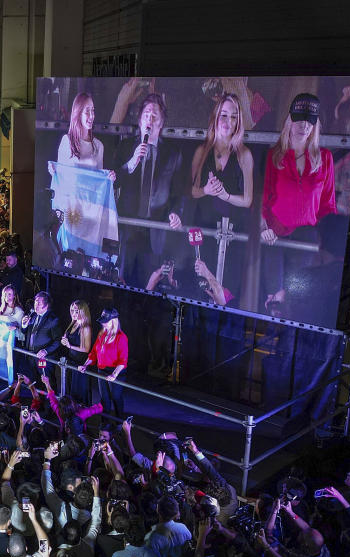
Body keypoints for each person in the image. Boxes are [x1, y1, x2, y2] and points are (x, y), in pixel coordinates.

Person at [261, 93, 337, 312]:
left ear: (315, 125)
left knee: (296, 294)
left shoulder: (325, 158)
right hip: (276, 233)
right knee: (274, 292)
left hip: (307, 236)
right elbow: (266, 197)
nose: (304, 125)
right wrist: (265, 227)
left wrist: (320, 236)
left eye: (310, 121)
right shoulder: (275, 156)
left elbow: (327, 203)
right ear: (290, 121)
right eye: (299, 119)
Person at [112, 93, 185, 289]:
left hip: (155, 231)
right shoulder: (126, 146)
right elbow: (111, 181)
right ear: (139, 120)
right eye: (146, 115)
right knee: (120, 283)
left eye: (154, 116)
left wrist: (177, 213)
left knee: (149, 286)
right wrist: (131, 163)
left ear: (161, 124)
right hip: (127, 229)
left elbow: (180, 193)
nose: (149, 120)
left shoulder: (173, 153)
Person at [187, 93, 254, 301]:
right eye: (224, 115)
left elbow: (247, 200)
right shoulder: (201, 152)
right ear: (216, 117)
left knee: (226, 293)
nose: (228, 121)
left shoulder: (244, 155)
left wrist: (225, 195)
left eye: (234, 117)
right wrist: (206, 190)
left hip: (232, 234)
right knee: (202, 289)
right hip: (204, 230)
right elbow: (193, 191)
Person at [78, 308, 128, 416]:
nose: (103, 323)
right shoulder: (102, 334)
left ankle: (119, 422)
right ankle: (105, 422)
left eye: (106, 321)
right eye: (103, 321)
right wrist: (85, 365)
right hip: (102, 369)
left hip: (116, 371)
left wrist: (114, 374)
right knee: (104, 398)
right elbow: (94, 353)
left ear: (114, 321)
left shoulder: (121, 337)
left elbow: (123, 360)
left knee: (116, 397)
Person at [20, 291, 62, 382]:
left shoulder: (53, 319)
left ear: (46, 305)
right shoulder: (33, 315)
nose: (36, 304)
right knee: (34, 381)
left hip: (43, 359)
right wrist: (24, 325)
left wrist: (46, 351)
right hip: (31, 356)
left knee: (46, 381)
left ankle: (50, 396)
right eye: (35, 301)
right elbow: (25, 332)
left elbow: (58, 340)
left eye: (39, 302)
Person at [60, 299, 93, 402]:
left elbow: (86, 349)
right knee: (69, 391)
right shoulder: (73, 324)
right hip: (71, 361)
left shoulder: (85, 327)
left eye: (76, 311)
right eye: (72, 310)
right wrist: (64, 341)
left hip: (80, 363)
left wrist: (70, 346)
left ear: (82, 311)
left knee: (79, 393)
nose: (73, 313)